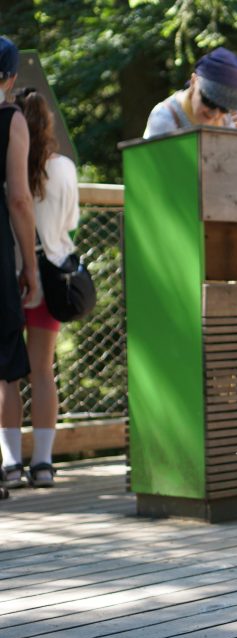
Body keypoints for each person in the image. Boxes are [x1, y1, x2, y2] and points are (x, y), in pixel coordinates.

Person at [4, 88, 81, 488]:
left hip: (12, 277)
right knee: (43, 371)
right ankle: (44, 463)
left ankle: (11, 463)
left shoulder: (8, 170)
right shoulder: (64, 168)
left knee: (8, 375)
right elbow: (71, 222)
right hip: (51, 278)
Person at [0, 37, 41, 493]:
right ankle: (9, 465)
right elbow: (19, 198)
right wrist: (30, 265)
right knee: (5, 359)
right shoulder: (10, 119)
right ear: (10, 78)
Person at [142, 47, 237, 138]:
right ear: (193, 82)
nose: (215, 114)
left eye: (224, 107)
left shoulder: (236, 118)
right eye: (209, 101)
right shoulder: (164, 119)